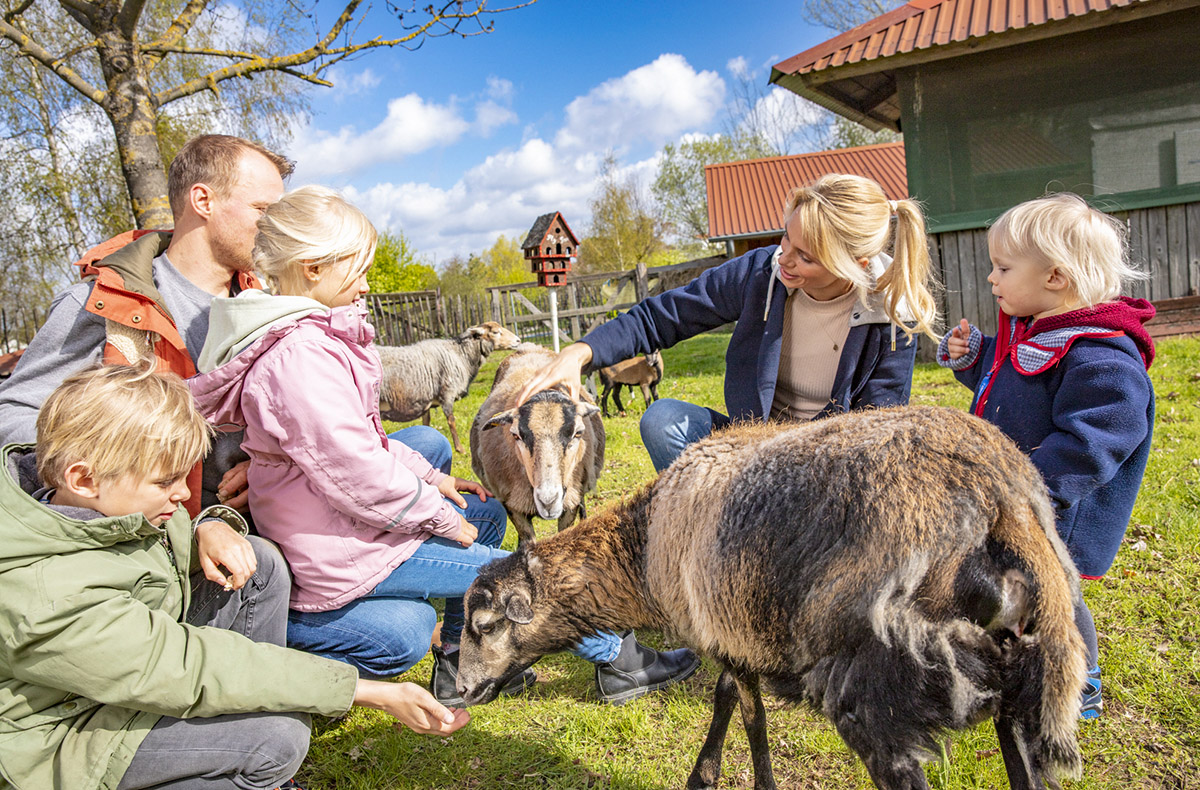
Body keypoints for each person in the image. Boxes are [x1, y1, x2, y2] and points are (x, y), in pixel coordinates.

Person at [187, 185, 699, 705]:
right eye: (358, 267)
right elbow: (357, 473)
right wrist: (435, 514)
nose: (367, 282)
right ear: (314, 268)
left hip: (343, 526)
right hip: (343, 545)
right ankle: (621, 662)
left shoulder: (312, 341)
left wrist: (436, 479)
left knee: (485, 514)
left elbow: (366, 441)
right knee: (516, 574)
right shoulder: (300, 356)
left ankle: (459, 666)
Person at [0, 364, 468, 790]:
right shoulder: (45, 596)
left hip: (124, 686)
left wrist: (212, 523)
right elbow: (190, 664)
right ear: (84, 478)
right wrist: (365, 692)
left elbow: (175, 551)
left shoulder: (95, 507)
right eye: (165, 483)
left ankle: (241, 728)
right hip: (67, 742)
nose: (183, 493)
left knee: (257, 562)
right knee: (277, 737)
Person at [517, 173, 942, 471]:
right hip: (749, 445)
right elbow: (662, 317)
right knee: (661, 420)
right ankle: (716, 536)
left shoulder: (892, 315)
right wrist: (580, 352)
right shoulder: (762, 273)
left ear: (854, 264)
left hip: (828, 463)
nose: (785, 259)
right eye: (785, 238)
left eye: (806, 256)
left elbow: (876, 432)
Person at [937, 193, 1156, 720]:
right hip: (1016, 500)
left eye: (1003, 267)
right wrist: (974, 356)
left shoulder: (1102, 358)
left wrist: (1032, 492)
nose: (992, 278)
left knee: (1058, 597)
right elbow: (1010, 376)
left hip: (1059, 508)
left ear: (1055, 277)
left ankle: (1080, 682)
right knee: (1016, 585)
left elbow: (1094, 440)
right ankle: (1011, 656)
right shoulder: (1042, 332)